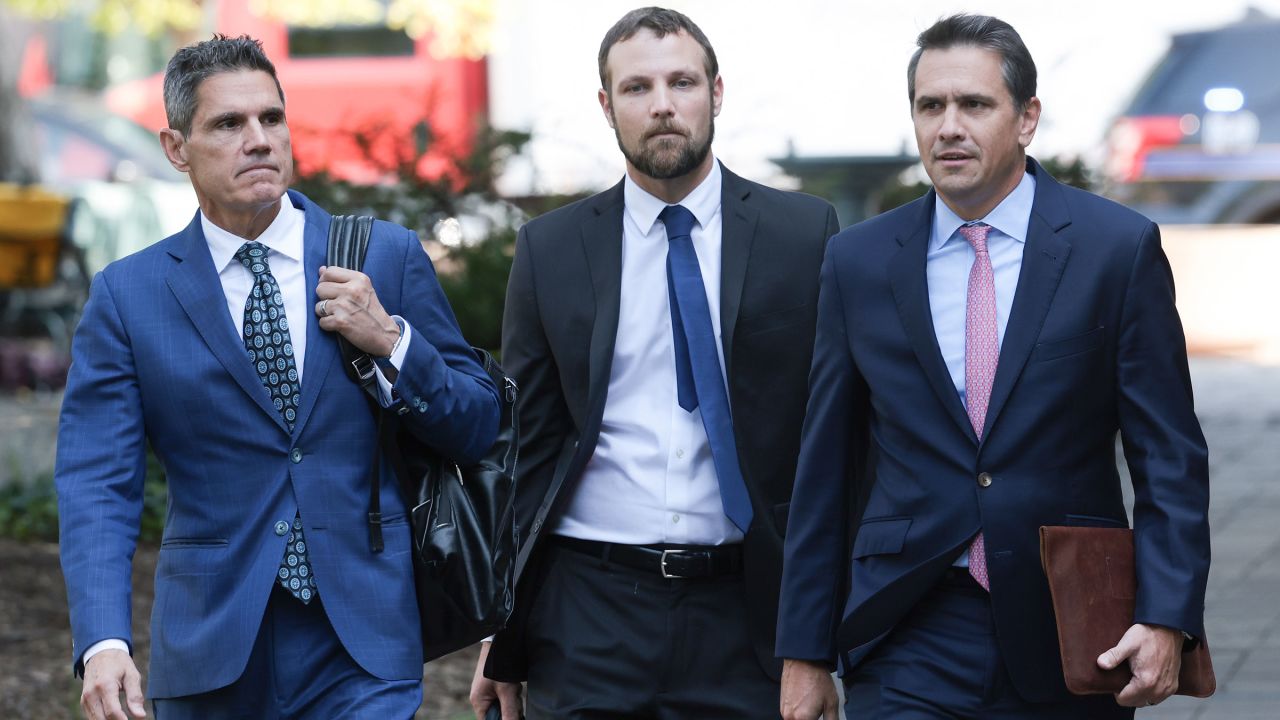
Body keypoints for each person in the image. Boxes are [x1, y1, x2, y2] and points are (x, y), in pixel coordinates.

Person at [776, 13, 1210, 720]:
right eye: (930, 106)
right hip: (906, 628)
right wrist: (804, 651)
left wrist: (1167, 616)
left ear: (1027, 117)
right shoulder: (857, 262)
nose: (949, 126)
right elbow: (824, 468)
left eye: (974, 104)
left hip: (1072, 629)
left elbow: (1169, 456)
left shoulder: (1114, 251)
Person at [55, 34, 499, 719]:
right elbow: (97, 484)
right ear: (176, 148)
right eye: (229, 124)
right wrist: (104, 639)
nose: (258, 139)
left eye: (271, 118)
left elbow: (475, 425)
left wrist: (392, 342)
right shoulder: (128, 296)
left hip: (364, 642)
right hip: (211, 645)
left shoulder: (386, 256)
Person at [469, 7, 839, 719]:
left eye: (682, 82)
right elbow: (525, 453)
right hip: (587, 614)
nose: (663, 104)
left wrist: (814, 641)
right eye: (637, 88)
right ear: (608, 107)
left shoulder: (805, 234)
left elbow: (831, 450)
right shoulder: (551, 250)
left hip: (749, 613)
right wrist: (499, 629)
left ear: (716, 92)